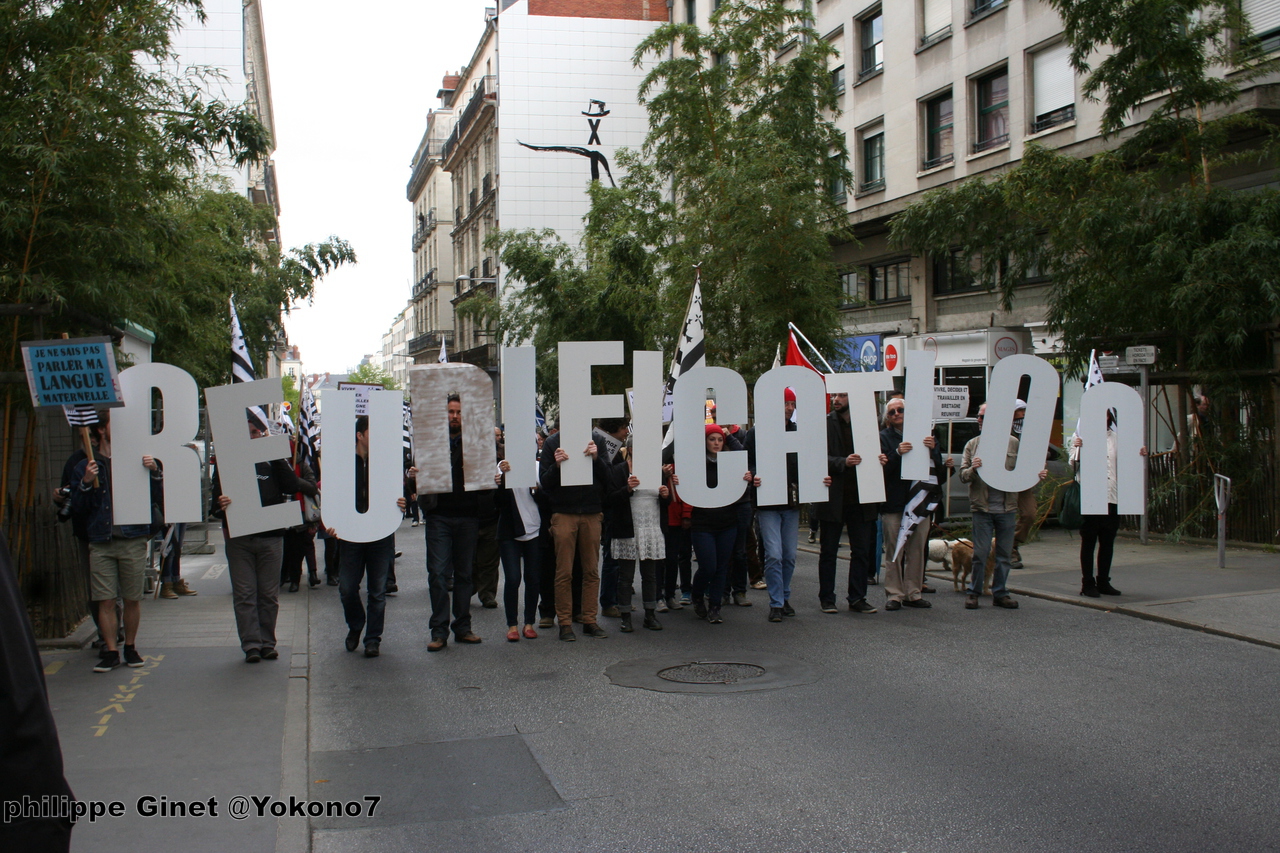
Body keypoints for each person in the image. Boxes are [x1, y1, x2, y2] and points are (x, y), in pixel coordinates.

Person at [212, 416, 318, 663]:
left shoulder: (272, 461)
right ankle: (251, 644)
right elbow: (214, 506)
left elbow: (292, 485)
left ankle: (267, 642)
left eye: (256, 433)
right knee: (245, 593)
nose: (251, 437)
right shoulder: (229, 462)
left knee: (268, 594)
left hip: (271, 536)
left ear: (262, 435)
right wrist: (221, 504)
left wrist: (276, 453)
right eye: (246, 433)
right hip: (240, 538)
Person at [69, 417, 163, 672]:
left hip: (132, 538)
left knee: (132, 598)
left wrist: (154, 472)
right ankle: (111, 650)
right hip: (100, 540)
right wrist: (87, 482)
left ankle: (130, 647)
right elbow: (78, 507)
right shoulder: (85, 465)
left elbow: (156, 497)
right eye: (114, 423)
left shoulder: (135, 460)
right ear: (101, 429)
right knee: (105, 600)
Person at [959, 402, 1046, 610]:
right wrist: (973, 469)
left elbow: (1025, 472)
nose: (979, 420)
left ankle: (1000, 593)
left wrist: (1037, 476)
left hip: (1007, 509)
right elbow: (962, 475)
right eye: (979, 417)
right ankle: (974, 592)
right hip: (982, 509)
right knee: (980, 554)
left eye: (983, 417)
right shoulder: (972, 445)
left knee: (1004, 555)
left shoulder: (1013, 443)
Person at [331, 416, 406, 657]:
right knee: (347, 588)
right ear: (359, 435)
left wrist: (402, 501)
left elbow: (400, 492)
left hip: (380, 534)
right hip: (351, 535)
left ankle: (373, 638)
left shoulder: (384, 462)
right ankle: (356, 624)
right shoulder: (344, 463)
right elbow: (334, 496)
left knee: (377, 591)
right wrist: (332, 522)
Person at [421, 395, 490, 651]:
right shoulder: (432, 442)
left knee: (464, 575)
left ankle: (462, 626)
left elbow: (486, 484)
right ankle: (439, 630)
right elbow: (415, 475)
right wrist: (412, 476)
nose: (454, 416)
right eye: (450, 412)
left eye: (458, 412)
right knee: (438, 574)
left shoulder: (476, 442)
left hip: (468, 515)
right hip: (439, 515)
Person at [815, 391, 886, 615]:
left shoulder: (868, 425)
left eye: (842, 395)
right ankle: (827, 598)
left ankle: (857, 597)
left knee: (861, 550)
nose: (836, 399)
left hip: (861, 498)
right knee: (828, 551)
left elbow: (878, 455)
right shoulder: (824, 424)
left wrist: (882, 459)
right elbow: (814, 457)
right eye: (834, 395)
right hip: (833, 498)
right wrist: (842, 462)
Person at [879, 398, 952, 611]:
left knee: (917, 549)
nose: (896, 414)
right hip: (894, 502)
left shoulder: (927, 437)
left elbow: (938, 473)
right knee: (894, 549)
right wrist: (896, 454)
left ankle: (913, 592)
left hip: (921, 502)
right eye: (891, 412)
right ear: (888, 418)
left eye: (900, 410)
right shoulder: (883, 438)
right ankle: (894, 594)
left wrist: (935, 452)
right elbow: (880, 470)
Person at [540, 425, 610, 641]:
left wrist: (597, 459)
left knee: (591, 570)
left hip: (591, 511)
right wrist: (557, 465)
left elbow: (609, 479)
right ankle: (565, 623)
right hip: (563, 513)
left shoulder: (597, 441)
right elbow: (545, 482)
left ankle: (590, 620)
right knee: (564, 572)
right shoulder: (552, 443)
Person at [1070, 415, 1148, 597]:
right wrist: (1078, 448)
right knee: (1089, 540)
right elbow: (1072, 463)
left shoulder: (1117, 436)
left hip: (1113, 495)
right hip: (1091, 496)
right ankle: (1087, 583)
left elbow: (1128, 462)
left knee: (1108, 540)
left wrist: (1140, 454)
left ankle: (1103, 581)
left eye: (1105, 412)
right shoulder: (1081, 435)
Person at [688, 425, 757, 624]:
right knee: (708, 566)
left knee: (722, 567)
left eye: (720, 439)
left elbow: (744, 457)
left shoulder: (732, 464)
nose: (716, 443)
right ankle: (697, 595)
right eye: (712, 439)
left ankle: (715, 607)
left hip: (728, 522)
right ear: (705, 442)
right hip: (702, 524)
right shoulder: (696, 464)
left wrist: (746, 478)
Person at [745, 388, 803, 623]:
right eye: (785, 403)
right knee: (774, 555)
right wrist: (754, 475)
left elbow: (805, 462)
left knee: (789, 555)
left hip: (791, 502)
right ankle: (776, 602)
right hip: (768, 502)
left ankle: (784, 596)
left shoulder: (797, 432)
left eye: (792, 403)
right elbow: (746, 463)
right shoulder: (756, 433)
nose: (789, 408)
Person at [606, 438, 668, 632]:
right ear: (631, 449)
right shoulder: (619, 470)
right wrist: (628, 489)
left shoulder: (657, 471)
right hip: (628, 528)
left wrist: (666, 495)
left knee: (650, 575)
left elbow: (666, 502)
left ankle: (650, 614)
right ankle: (626, 616)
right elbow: (609, 499)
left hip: (650, 527)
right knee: (625, 576)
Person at [496, 451, 542, 641]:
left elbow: (546, 499)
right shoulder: (502, 466)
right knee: (513, 578)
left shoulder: (537, 466)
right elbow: (496, 502)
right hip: (509, 531)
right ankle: (512, 624)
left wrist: (536, 488)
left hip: (535, 528)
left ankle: (529, 622)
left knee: (532, 577)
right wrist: (504, 478)